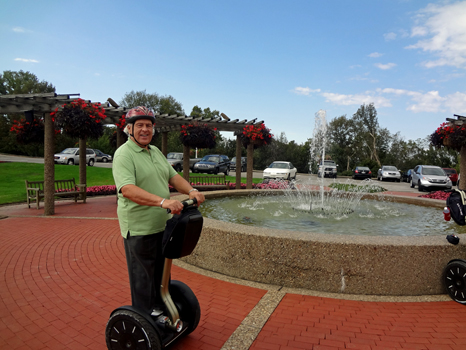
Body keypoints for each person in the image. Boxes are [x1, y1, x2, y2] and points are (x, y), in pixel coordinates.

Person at [112, 106, 205, 316]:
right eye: (140, 126)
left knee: (162, 275)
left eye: (148, 126)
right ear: (129, 129)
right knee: (143, 279)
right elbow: (127, 189)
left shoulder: (155, 152)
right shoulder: (123, 154)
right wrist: (163, 202)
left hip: (162, 226)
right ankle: (146, 319)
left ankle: (163, 312)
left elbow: (173, 177)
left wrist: (191, 190)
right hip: (139, 228)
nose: (145, 130)